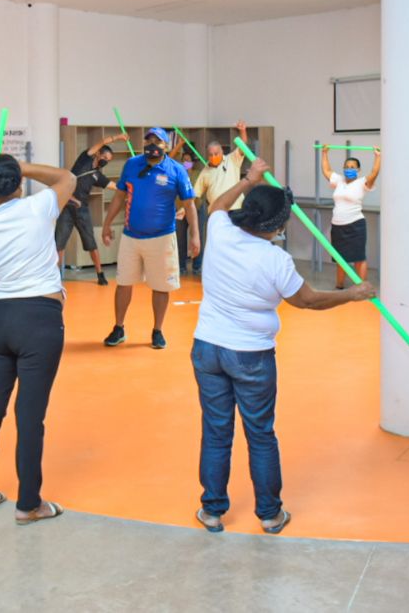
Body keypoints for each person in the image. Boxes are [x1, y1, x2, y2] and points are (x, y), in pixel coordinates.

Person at [191, 156, 374, 535]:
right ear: (277, 225)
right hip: (250, 356)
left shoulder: (220, 230)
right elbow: (307, 300)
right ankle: (270, 514)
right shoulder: (275, 259)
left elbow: (218, 204)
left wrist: (249, 179)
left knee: (216, 430)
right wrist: (353, 294)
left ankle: (212, 510)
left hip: (207, 348)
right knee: (260, 434)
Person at [0, 153, 76, 525]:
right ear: (19, 182)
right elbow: (67, 178)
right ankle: (29, 505)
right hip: (40, 321)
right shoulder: (39, 207)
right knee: (30, 415)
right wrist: (19, 167)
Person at [100, 127, 199, 350]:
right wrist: (106, 224)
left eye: (158, 141)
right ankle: (119, 327)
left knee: (161, 286)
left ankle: (157, 330)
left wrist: (195, 235)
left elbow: (189, 204)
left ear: (166, 146)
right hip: (131, 236)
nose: (152, 145)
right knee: (123, 283)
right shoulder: (132, 164)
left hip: (162, 237)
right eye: (149, 141)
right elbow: (119, 196)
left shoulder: (177, 170)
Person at [55, 133, 125, 284]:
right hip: (67, 206)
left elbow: (114, 186)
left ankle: (100, 274)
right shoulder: (85, 159)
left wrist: (130, 188)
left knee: (91, 243)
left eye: (108, 161)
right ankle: (55, 276)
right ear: (98, 153)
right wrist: (118, 137)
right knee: (59, 243)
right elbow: (102, 141)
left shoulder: (97, 175)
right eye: (104, 157)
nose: (105, 161)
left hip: (82, 210)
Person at [319, 144, 381, 289]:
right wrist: (325, 153)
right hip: (337, 225)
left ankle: (362, 288)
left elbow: (374, 173)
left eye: (353, 167)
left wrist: (378, 157)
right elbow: (326, 170)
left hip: (355, 225)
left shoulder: (362, 183)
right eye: (347, 166)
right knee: (340, 258)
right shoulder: (338, 180)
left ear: (358, 170)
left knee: (359, 258)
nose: (349, 169)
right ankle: (339, 285)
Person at [192, 121, 250, 274]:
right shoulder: (205, 172)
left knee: (236, 244)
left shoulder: (232, 160)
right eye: (210, 155)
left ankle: (238, 273)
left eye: (216, 154)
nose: (213, 157)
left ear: (221, 152)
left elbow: (243, 146)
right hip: (217, 214)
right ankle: (220, 273)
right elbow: (195, 194)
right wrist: (185, 210)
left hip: (235, 210)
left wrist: (243, 131)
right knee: (218, 245)